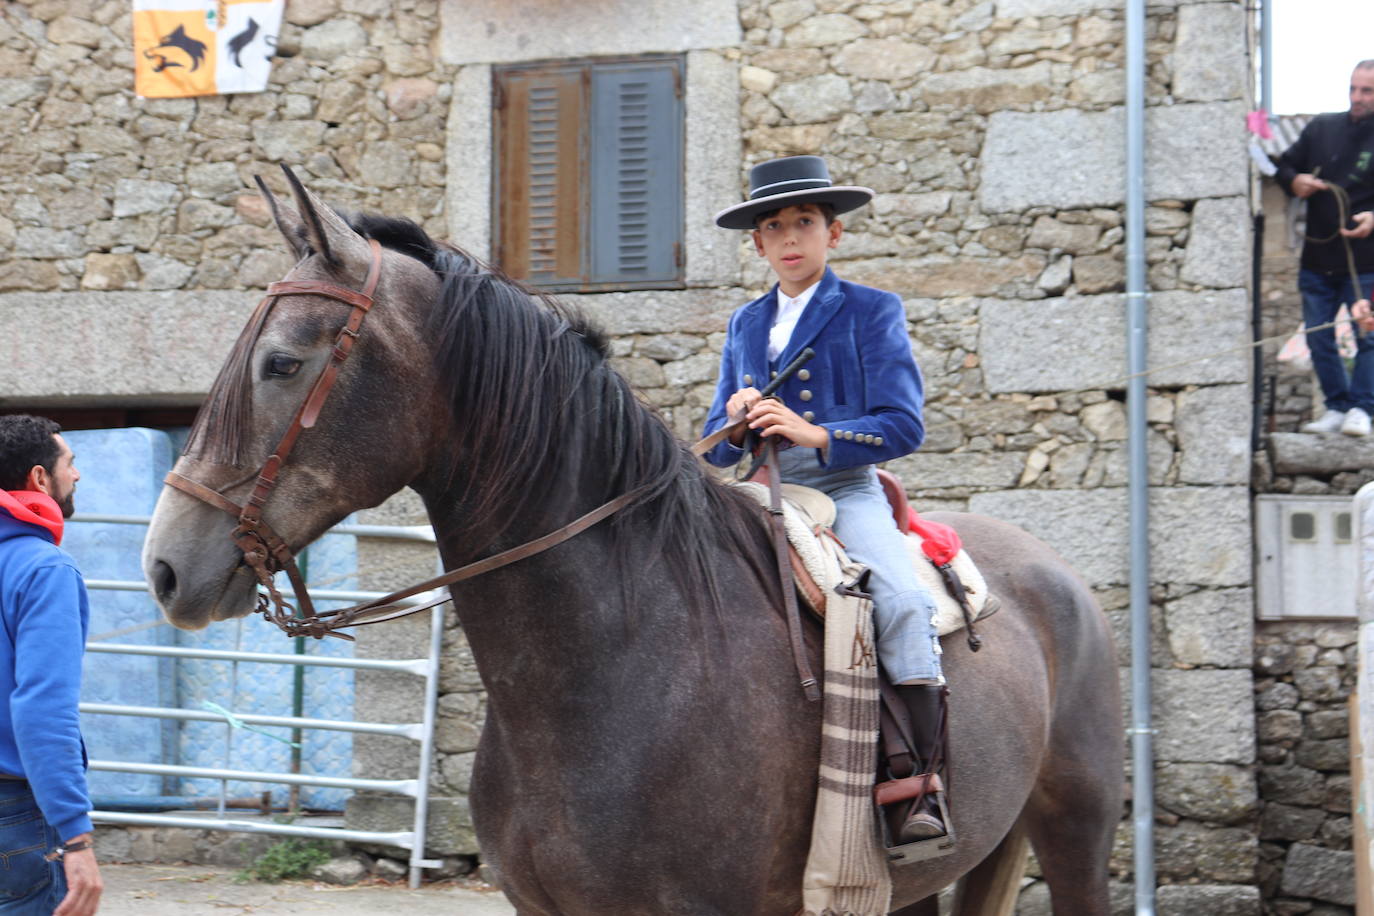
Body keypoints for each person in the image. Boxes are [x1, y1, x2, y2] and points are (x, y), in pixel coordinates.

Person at [701, 155, 948, 846]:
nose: (789, 238)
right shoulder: (745, 323)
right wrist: (735, 416)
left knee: (899, 598)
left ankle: (918, 782)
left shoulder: (871, 310)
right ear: (757, 243)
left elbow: (904, 425)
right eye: (774, 226)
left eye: (803, 223)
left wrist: (817, 432)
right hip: (759, 491)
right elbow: (715, 448)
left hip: (841, 487)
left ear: (831, 234)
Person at [0, 415, 102, 915]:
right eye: (71, 464)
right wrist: (76, 838)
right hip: (16, 816)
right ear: (40, 479)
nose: (77, 475)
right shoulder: (43, 570)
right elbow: (42, 710)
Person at [1277, 60, 1374, 436]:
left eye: (1366, 91)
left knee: (1368, 334)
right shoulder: (1321, 128)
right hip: (1317, 256)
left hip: (1366, 260)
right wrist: (1295, 182)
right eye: (1353, 89)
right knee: (1319, 336)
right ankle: (1336, 406)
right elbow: (1284, 167)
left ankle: (1364, 409)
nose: (1357, 98)